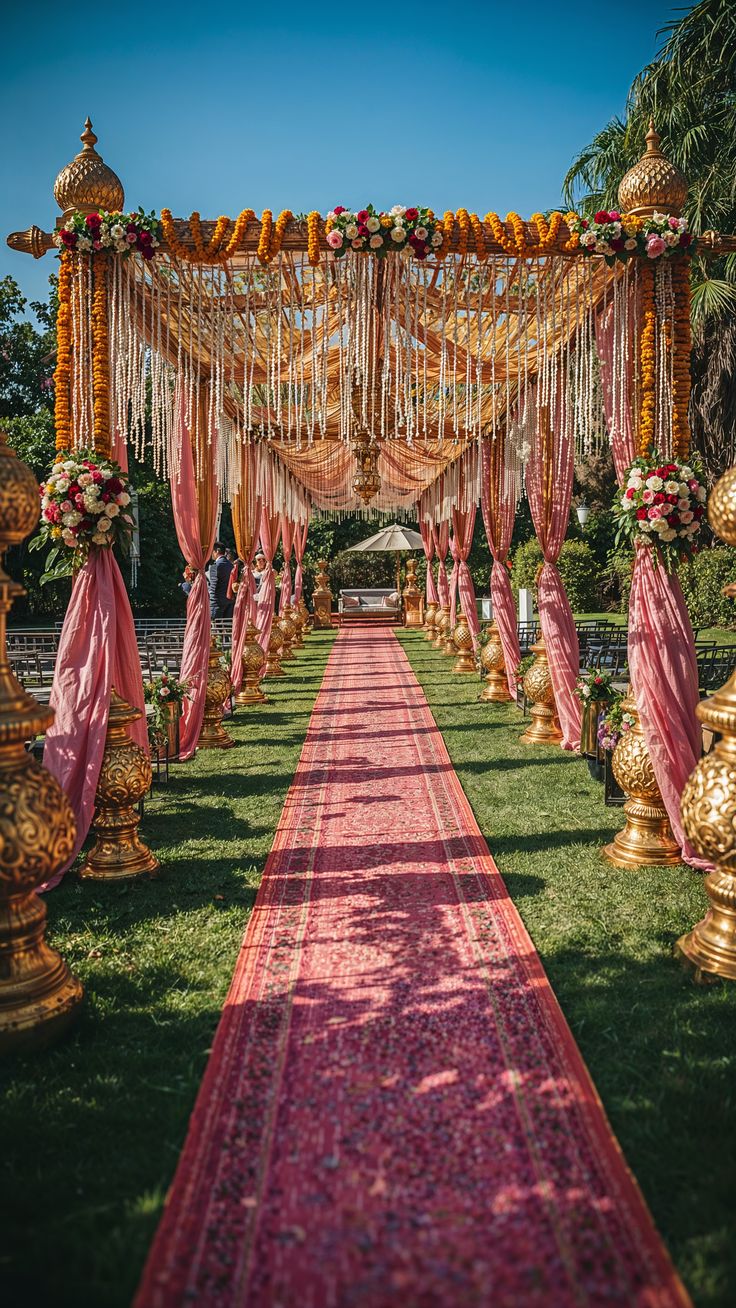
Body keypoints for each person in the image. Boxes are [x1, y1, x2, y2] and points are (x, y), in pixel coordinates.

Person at [208, 542, 234, 618]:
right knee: (226, 628)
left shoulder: (215, 566)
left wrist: (211, 603)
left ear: (217, 551)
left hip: (217, 603)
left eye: (212, 551)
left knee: (214, 628)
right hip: (229, 602)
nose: (211, 554)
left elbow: (213, 586)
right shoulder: (231, 565)